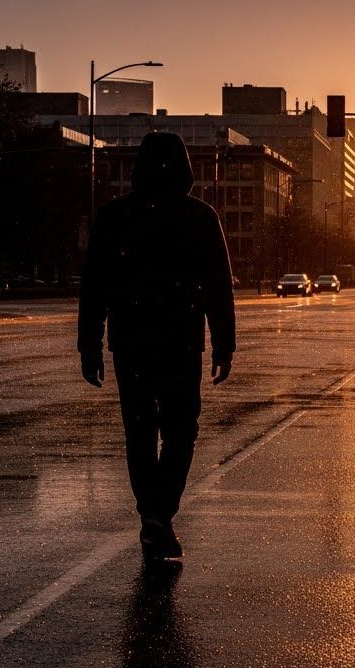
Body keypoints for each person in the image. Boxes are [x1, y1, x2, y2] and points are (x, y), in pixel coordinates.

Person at [78, 132, 236, 560]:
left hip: (130, 340)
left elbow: (95, 286)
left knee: (140, 431)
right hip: (180, 341)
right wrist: (223, 345)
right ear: (185, 167)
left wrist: (89, 346)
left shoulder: (115, 216)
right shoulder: (199, 216)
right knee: (181, 430)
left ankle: (153, 513)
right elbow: (218, 287)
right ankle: (159, 515)